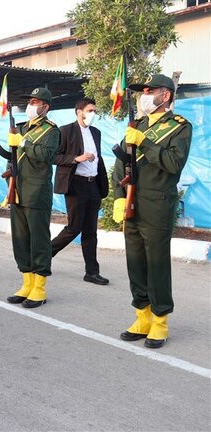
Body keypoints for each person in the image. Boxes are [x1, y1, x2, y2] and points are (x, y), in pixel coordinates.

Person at [113, 74, 191, 349]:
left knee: (156, 265)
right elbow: (120, 165)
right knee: (135, 262)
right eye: (141, 91)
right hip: (132, 203)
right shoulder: (138, 125)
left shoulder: (179, 127)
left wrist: (144, 142)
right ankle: (142, 316)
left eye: (150, 90)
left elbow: (173, 163)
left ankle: (159, 321)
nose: (144, 96)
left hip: (157, 204)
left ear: (166, 95)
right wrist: (119, 198)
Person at [5, 88, 60, 308]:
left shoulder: (51, 131)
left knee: (38, 241)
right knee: (20, 240)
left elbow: (45, 156)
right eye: (30, 101)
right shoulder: (20, 129)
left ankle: (39, 288)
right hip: (18, 189)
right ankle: (26, 283)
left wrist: (23, 143)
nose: (31, 106)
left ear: (45, 107)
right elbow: (12, 157)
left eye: (35, 102)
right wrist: (9, 172)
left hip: (37, 192)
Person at [51, 98, 109, 285]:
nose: (93, 114)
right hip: (75, 184)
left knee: (90, 231)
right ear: (79, 112)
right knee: (74, 227)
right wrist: (77, 158)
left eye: (94, 110)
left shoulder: (96, 132)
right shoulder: (66, 130)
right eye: (90, 110)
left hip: (93, 185)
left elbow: (98, 158)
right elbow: (55, 156)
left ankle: (92, 272)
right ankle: (43, 256)